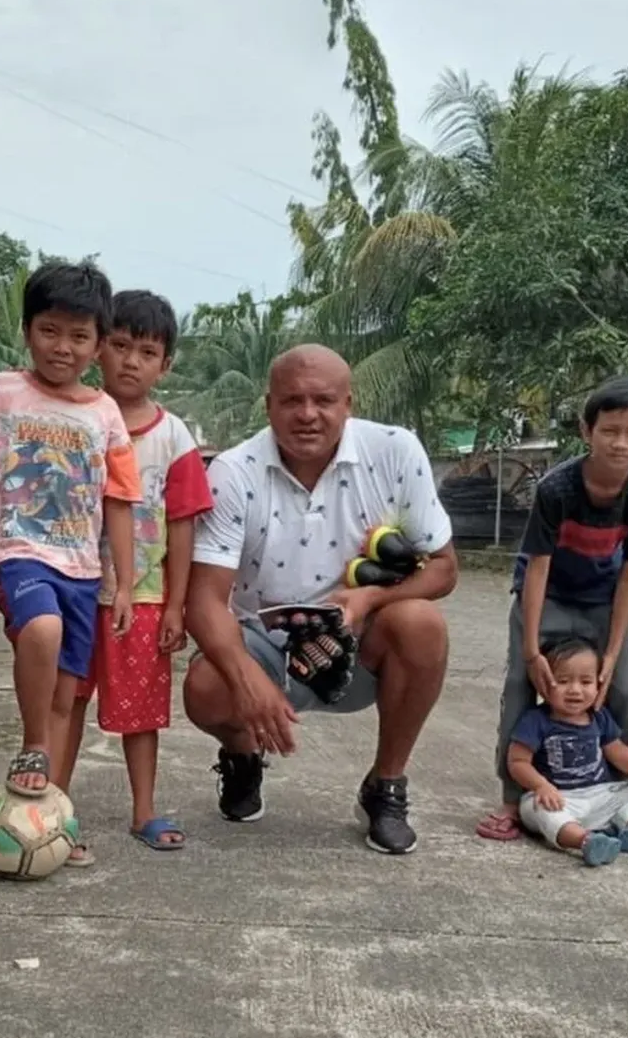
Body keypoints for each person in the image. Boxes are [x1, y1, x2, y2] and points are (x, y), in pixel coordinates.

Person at [183, 344, 458, 856]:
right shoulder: (233, 472)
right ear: (268, 406)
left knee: (422, 623)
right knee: (204, 687)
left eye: (323, 400)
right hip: (263, 641)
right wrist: (248, 683)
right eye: (291, 401)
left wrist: (369, 597)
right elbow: (203, 601)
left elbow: (444, 568)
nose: (308, 414)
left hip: (359, 640)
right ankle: (242, 755)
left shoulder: (395, 452)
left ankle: (386, 785)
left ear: (348, 403)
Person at [0, 263, 142, 857]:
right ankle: (32, 745)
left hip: (82, 568)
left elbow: (118, 501)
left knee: (68, 696)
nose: (62, 347)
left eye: (79, 336)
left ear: (99, 342)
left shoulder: (105, 414)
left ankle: (50, 816)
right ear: (27, 329)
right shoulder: (0, 392)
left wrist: (122, 581)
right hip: (16, 552)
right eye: (49, 330)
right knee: (41, 627)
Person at [55, 290, 214, 859]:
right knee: (64, 701)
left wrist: (176, 606)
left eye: (146, 351)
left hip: (144, 597)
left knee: (141, 713)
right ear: (99, 348)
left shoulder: (175, 438)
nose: (130, 361)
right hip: (73, 586)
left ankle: (143, 809)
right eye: (119, 346)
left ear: (165, 364)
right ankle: (54, 808)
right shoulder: (76, 418)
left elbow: (183, 527)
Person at [477, 376, 628, 842]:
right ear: (587, 431)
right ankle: (509, 801)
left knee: (620, 693)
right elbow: (537, 568)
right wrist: (531, 651)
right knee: (522, 690)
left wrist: (612, 654)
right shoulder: (557, 489)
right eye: (610, 430)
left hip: (603, 600)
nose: (621, 443)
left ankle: (623, 794)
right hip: (548, 596)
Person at [508, 638, 628, 866]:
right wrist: (540, 785)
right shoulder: (536, 720)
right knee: (535, 808)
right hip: (560, 798)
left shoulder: (599, 717)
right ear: (543, 682)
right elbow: (518, 761)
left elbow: (616, 751)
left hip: (600, 794)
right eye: (563, 681)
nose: (575, 690)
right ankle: (585, 841)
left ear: (599, 684)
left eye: (586, 681)